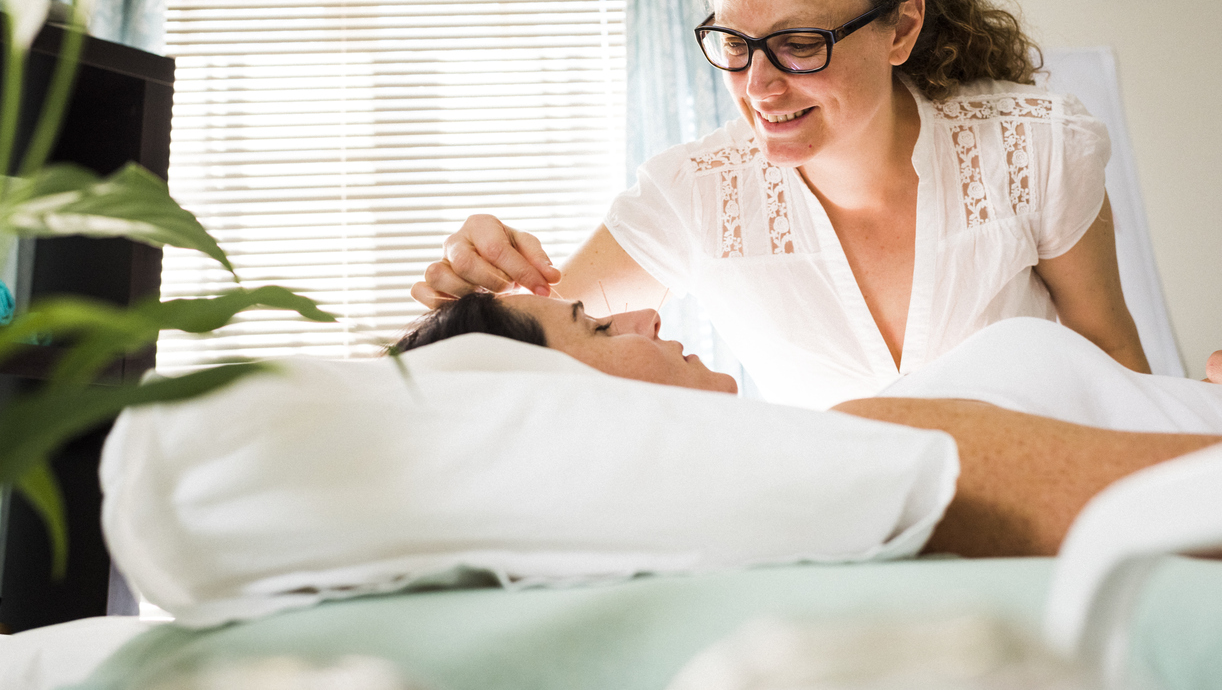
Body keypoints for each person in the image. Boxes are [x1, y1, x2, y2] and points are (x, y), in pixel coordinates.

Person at [411, 0, 1151, 410]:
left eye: (799, 43)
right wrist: (472, 270)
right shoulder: (693, 196)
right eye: (734, 43)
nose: (757, 87)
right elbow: (519, 353)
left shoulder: (1038, 150)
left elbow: (1114, 363)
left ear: (902, 27)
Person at [393, 292, 1222, 559]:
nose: (642, 310)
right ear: (562, 405)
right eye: (598, 327)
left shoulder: (850, 439)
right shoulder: (867, 450)